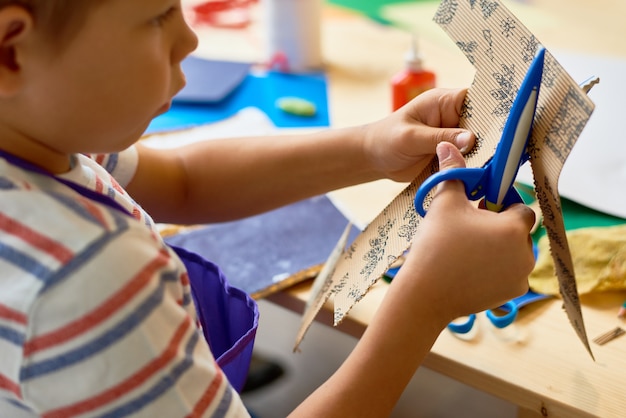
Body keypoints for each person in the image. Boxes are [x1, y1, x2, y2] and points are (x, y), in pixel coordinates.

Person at [0, 0, 536, 417]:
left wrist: (371, 145)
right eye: (158, 16)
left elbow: (183, 180)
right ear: (10, 50)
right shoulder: (85, 277)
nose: (189, 38)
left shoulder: (41, 135)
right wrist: (425, 302)